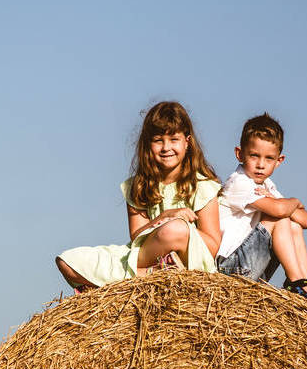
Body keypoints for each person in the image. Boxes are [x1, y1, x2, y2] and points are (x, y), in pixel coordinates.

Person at [56, 101, 222, 291]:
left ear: (187, 142)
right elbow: (136, 237)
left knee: (175, 229)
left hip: (188, 256)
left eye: (174, 139)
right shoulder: (139, 186)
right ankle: (155, 274)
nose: (166, 147)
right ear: (148, 144)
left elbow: (213, 245)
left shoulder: (202, 186)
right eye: (158, 140)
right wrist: (164, 218)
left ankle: (122, 280)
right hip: (142, 254)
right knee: (67, 261)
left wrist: (181, 229)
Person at [216, 112, 307, 300]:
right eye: (254, 156)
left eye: (268, 158)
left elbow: (306, 221)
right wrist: (295, 202)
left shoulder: (267, 187)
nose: (260, 165)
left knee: (293, 224)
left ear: (279, 160)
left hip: (251, 268)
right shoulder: (238, 182)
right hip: (230, 269)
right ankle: (295, 282)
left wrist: (285, 205)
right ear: (239, 154)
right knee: (280, 218)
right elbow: (280, 210)